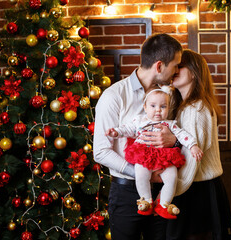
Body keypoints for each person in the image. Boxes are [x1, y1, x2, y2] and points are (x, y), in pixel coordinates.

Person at [93, 33, 182, 240]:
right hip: (127, 194)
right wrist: (141, 174)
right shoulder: (114, 96)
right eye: (175, 65)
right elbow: (101, 151)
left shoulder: (169, 96)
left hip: (163, 192)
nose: (177, 71)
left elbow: (179, 134)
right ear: (159, 66)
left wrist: (174, 140)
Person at [166, 49, 231, 240]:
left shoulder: (196, 109)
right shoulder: (183, 106)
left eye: (181, 66)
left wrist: (173, 190)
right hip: (193, 187)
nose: (175, 70)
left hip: (196, 189)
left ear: (195, 72)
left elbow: (192, 159)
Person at [105, 86, 203, 220]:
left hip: (164, 156)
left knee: (172, 177)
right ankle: (146, 200)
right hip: (144, 155)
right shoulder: (140, 121)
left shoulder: (170, 124)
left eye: (163, 107)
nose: (158, 110)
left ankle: (164, 204)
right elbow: (128, 129)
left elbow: (182, 135)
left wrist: (193, 146)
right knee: (141, 174)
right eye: (153, 106)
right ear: (145, 107)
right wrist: (116, 132)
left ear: (168, 109)